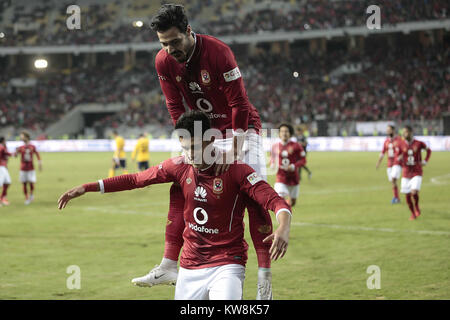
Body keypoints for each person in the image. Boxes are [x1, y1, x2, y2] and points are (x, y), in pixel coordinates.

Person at [57, 111, 292, 300]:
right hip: (189, 267)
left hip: (227, 264)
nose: (189, 155)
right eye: (184, 148)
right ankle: (167, 267)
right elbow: (135, 179)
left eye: (194, 148)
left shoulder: (237, 170)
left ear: (211, 139)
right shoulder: (178, 166)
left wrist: (283, 226)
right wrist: (88, 187)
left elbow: (274, 200)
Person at [132, 4, 274, 299]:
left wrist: (233, 150)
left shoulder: (218, 52)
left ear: (188, 31)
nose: (170, 49)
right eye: (163, 44)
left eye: (174, 42)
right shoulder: (163, 62)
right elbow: (174, 106)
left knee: (252, 198)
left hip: (243, 129)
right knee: (180, 183)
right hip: (203, 131)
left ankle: (264, 279)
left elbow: (239, 104)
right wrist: (187, 141)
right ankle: (169, 264)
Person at [396, 126, 431, 220]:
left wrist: (425, 161)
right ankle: (413, 213)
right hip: (406, 172)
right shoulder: (401, 144)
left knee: (414, 192)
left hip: (417, 171)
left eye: (406, 132)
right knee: (407, 195)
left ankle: (417, 207)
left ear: (411, 132)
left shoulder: (419, 143)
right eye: (403, 132)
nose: (404, 134)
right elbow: (398, 154)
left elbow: (429, 150)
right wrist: (399, 158)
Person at [271, 124, 307, 207]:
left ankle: (286, 210)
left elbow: (303, 160)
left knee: (292, 202)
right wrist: (273, 163)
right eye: (282, 131)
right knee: (280, 200)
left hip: (294, 178)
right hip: (281, 178)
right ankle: (283, 214)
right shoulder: (275, 146)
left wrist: (294, 166)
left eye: (286, 131)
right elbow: (272, 157)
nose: (284, 133)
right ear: (279, 134)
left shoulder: (296, 145)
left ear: (290, 133)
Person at [376, 125, 403, 204]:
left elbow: (404, 150)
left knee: (394, 178)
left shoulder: (399, 139)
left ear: (393, 130)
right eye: (387, 130)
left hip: (397, 163)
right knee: (392, 181)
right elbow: (382, 153)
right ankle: (396, 197)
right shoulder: (386, 141)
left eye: (389, 130)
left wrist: (400, 157)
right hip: (389, 164)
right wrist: (378, 163)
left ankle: (396, 197)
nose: (387, 131)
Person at [15, 131, 42, 205]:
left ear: (26, 137)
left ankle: (31, 194)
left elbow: (37, 155)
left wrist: (40, 164)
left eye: (22, 136)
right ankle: (26, 198)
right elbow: (15, 155)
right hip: (23, 168)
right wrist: (16, 152)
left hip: (31, 168)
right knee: (24, 183)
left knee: (31, 183)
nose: (21, 137)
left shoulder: (32, 146)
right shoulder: (21, 147)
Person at [0, 137, 12, 206]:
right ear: (3, 141)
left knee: (8, 182)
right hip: (1, 167)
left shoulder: (3, 147)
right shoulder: (1, 147)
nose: (6, 142)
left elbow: (6, 155)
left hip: (4, 167)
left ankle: (2, 198)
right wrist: (13, 154)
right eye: (5, 141)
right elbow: (7, 153)